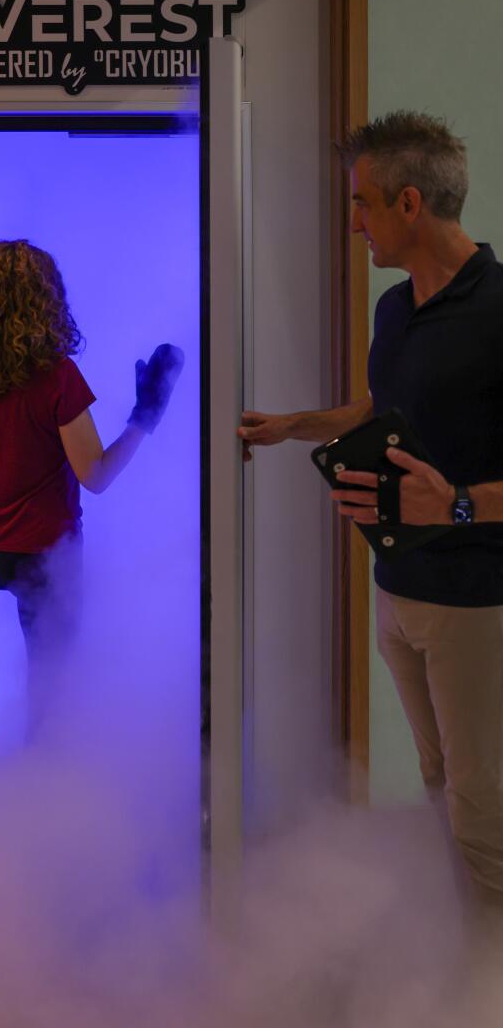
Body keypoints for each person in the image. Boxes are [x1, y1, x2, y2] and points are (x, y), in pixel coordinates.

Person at [238, 111, 503, 924]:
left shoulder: (499, 311)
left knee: (481, 803)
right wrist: (295, 426)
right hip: (399, 592)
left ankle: (485, 983)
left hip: (474, 601)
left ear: (409, 203)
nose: (355, 222)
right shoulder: (395, 308)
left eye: (363, 204)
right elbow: (384, 409)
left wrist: (457, 503)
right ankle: (454, 950)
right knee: (438, 786)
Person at [0, 238, 183, 728]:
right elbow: (96, 477)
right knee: (53, 681)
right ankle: (44, 771)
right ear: (49, 301)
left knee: (43, 658)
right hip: (40, 557)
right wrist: (145, 417)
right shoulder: (57, 377)